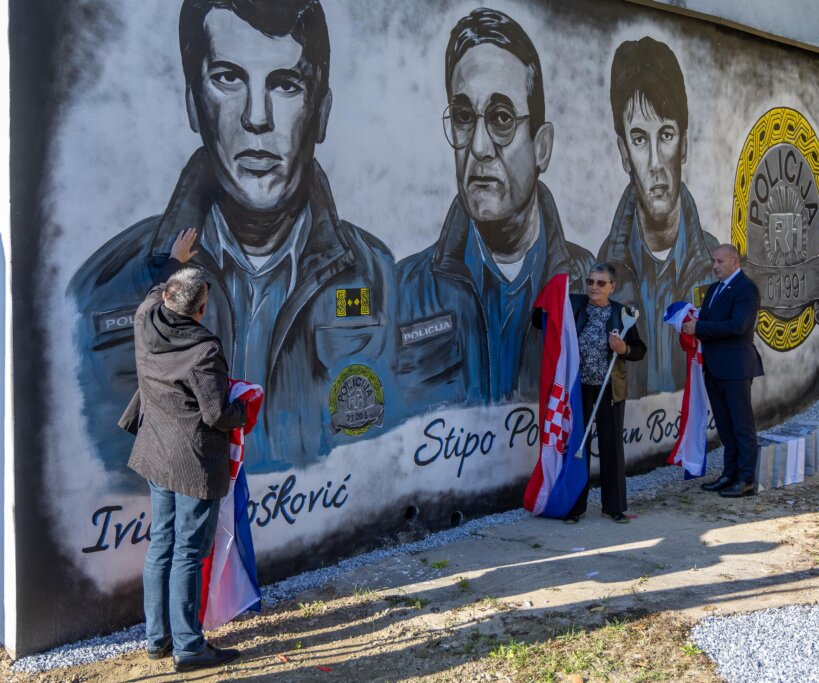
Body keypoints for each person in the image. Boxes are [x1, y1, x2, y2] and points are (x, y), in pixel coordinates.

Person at [68, 0, 398, 478]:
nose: (257, 118)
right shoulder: (102, 289)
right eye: (228, 77)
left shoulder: (379, 276)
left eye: (285, 84)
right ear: (192, 103)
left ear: (321, 113)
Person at [397, 7, 593, 412]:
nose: (479, 147)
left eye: (502, 118)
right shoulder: (406, 292)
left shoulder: (588, 284)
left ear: (542, 147)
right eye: (465, 117)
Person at [122, 228, 246, 672]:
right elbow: (216, 414)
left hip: (157, 453)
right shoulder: (204, 348)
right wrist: (244, 409)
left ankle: (159, 639)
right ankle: (190, 648)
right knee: (188, 553)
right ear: (200, 308)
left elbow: (158, 291)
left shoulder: (144, 318)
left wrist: (175, 260)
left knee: (162, 545)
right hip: (194, 464)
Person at [598, 37, 718, 398]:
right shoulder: (602, 272)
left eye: (665, 134)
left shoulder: (715, 266)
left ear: (684, 143)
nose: (653, 162)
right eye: (638, 139)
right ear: (623, 153)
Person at [559, 263, 646, 523]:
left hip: (610, 389)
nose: (593, 287)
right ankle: (575, 507)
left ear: (612, 287)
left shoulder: (623, 313)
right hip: (579, 389)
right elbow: (546, 321)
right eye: (590, 282)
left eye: (600, 283)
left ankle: (614, 506)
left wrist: (623, 350)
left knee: (611, 447)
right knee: (578, 446)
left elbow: (639, 350)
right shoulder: (574, 305)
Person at [682, 244, 764, 498]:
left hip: (736, 367)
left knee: (742, 425)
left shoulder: (746, 289)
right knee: (725, 426)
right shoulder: (716, 289)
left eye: (720, 261)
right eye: (713, 261)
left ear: (735, 262)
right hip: (715, 367)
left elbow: (737, 326)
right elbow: (709, 319)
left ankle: (745, 479)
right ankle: (729, 474)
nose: (715, 266)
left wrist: (700, 327)